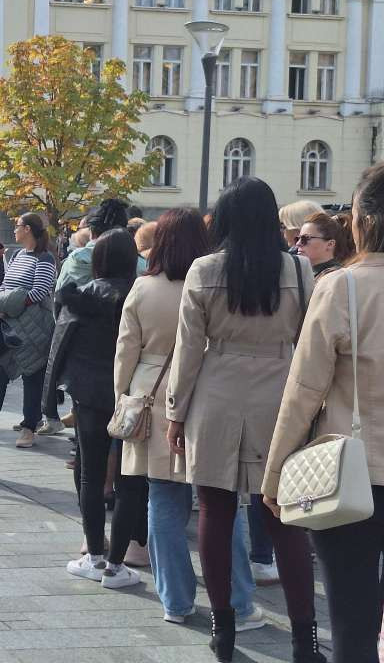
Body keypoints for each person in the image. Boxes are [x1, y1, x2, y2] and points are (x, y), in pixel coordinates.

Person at [165, 177, 321, 663]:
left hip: (216, 390)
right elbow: (310, 347)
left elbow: (188, 349)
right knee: (283, 518)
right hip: (278, 392)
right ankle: (304, 638)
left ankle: (223, 627)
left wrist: (175, 411)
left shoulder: (204, 269)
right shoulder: (298, 271)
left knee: (214, 509)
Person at [114, 209, 262, 626]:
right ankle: (237, 600)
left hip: (153, 392)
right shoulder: (218, 282)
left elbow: (126, 349)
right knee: (220, 502)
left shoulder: (143, 289)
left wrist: (121, 397)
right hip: (209, 391)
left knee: (162, 498)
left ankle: (175, 601)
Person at [262, 164, 384, 663]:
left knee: (350, 623)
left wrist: (274, 474)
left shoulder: (344, 287)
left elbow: (304, 389)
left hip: (353, 472)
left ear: (363, 218)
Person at [45, 229, 138, 587]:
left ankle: (94, 553)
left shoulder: (80, 297)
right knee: (131, 478)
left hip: (88, 393)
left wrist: (52, 397)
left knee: (89, 472)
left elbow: (60, 349)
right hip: (132, 394)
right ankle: (117, 564)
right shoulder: (138, 295)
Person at [0, 213, 58, 446]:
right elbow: (5, 285)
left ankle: (29, 427)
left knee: (32, 377)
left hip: (33, 327)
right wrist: (3, 305)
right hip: (9, 325)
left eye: (17, 226)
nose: (14, 230)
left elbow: (39, 292)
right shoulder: (16, 254)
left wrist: (9, 305)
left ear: (27, 229)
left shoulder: (45, 258)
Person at [56, 199, 147, 291]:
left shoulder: (74, 259)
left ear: (91, 231)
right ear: (123, 231)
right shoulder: (139, 264)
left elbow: (58, 296)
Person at [294, 211, 355, 279]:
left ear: (330, 244)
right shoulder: (305, 273)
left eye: (306, 238)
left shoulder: (335, 276)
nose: (298, 244)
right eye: (298, 238)